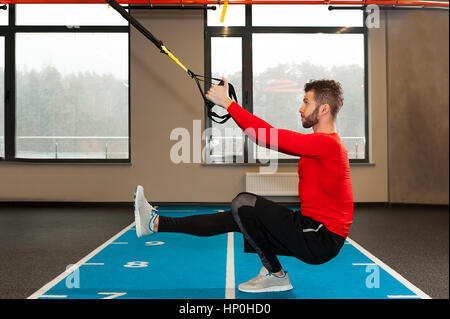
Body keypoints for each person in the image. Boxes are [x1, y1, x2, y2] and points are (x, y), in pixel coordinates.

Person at [133, 77, 354, 293]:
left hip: (320, 237)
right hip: (309, 226)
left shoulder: (328, 145)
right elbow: (264, 136)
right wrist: (229, 105)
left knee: (243, 202)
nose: (300, 108)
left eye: (306, 102)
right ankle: (156, 223)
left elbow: (266, 137)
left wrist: (228, 104)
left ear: (324, 109)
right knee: (238, 217)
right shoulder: (320, 145)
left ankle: (275, 274)